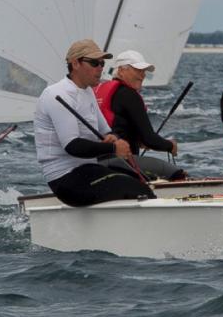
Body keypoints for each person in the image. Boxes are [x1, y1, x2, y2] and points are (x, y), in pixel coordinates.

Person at [33, 39, 156, 207]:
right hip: (64, 178)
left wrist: (113, 138)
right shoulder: (57, 94)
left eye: (102, 63)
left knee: (142, 182)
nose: (100, 68)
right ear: (75, 63)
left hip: (86, 170)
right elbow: (72, 146)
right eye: (94, 63)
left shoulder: (87, 91)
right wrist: (113, 148)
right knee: (140, 191)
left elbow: (106, 130)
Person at [94, 50, 185, 181]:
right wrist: (171, 146)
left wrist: (139, 142)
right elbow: (150, 139)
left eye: (143, 71)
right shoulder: (129, 95)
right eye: (137, 70)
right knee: (177, 174)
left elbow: (118, 127)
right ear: (121, 70)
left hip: (98, 161)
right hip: (120, 162)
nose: (142, 75)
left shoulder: (102, 91)